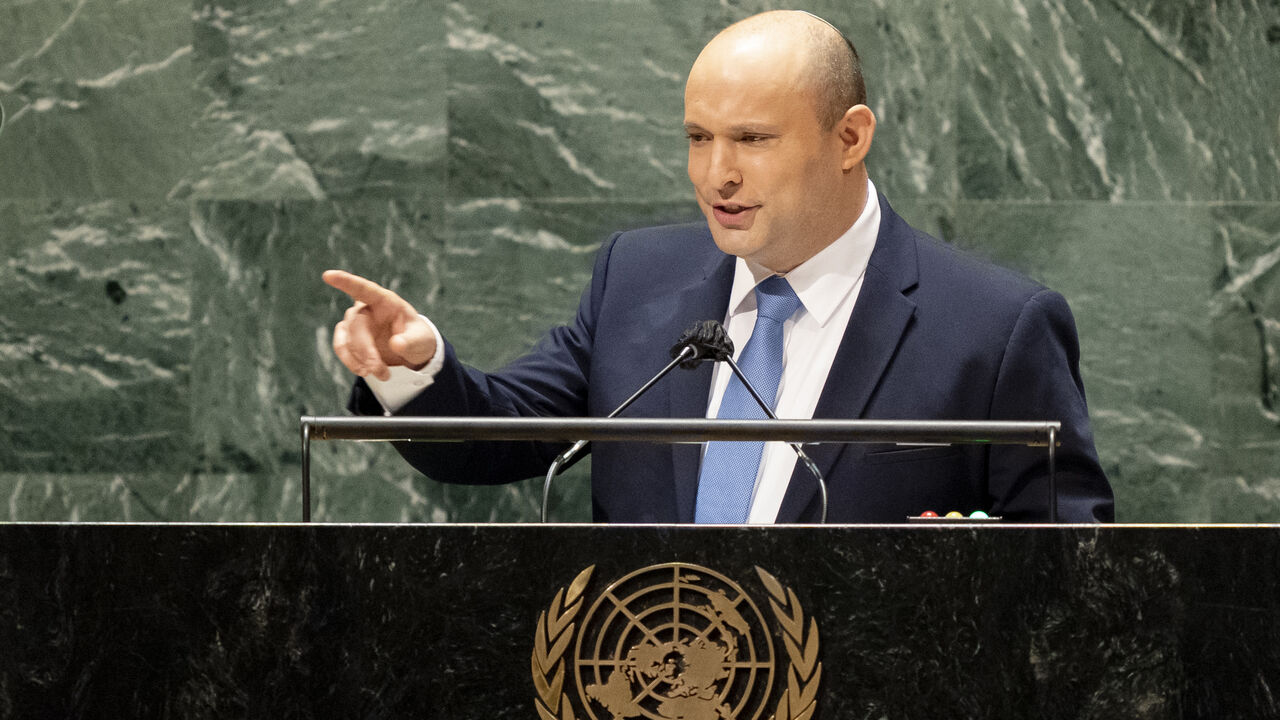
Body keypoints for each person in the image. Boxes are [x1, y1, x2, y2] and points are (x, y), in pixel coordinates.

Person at [324, 11, 1114, 524]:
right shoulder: (637, 278)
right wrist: (413, 371)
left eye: (753, 140)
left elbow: (1080, 563)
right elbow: (495, 440)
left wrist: (987, 570)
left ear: (850, 138)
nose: (715, 175)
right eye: (699, 139)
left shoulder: (995, 328)